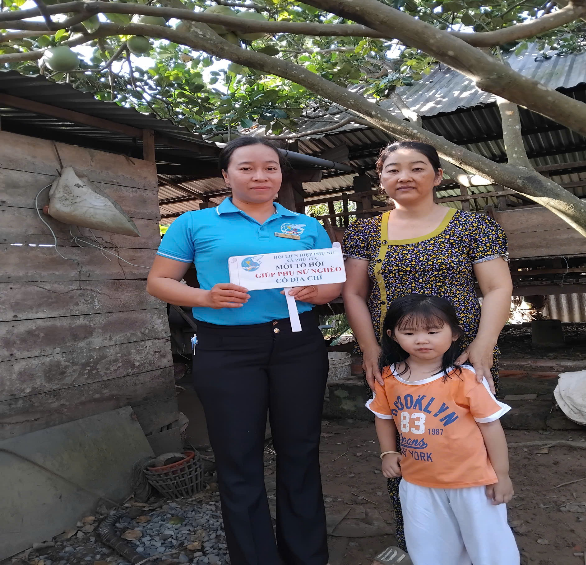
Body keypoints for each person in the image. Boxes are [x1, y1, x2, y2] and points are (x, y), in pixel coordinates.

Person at [146, 136, 342, 565]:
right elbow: (159, 282)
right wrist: (205, 297)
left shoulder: (305, 226)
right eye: (247, 168)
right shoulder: (194, 223)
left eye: (270, 168)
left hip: (297, 344)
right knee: (238, 457)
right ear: (226, 175)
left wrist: (318, 291)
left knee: (300, 451)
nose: (260, 176)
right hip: (228, 349)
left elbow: (332, 283)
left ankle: (307, 556)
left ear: (280, 175)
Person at [342, 140, 513, 549]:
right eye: (393, 170)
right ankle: (418, 541)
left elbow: (497, 287)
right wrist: (369, 348)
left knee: (469, 440)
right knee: (408, 441)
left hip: (463, 355)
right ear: (381, 179)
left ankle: (480, 537)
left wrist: (484, 344)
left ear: (437, 176)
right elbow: (354, 293)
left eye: (417, 168)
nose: (404, 177)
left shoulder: (472, 226)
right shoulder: (365, 232)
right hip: (396, 358)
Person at [367, 294, 519, 565]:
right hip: (418, 481)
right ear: (393, 336)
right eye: (409, 333)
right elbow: (383, 417)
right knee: (430, 546)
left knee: (488, 545)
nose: (422, 340)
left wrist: (502, 475)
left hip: (472, 482)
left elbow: (491, 427)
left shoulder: (466, 378)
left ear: (454, 334)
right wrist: (388, 452)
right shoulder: (388, 377)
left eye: (433, 331)